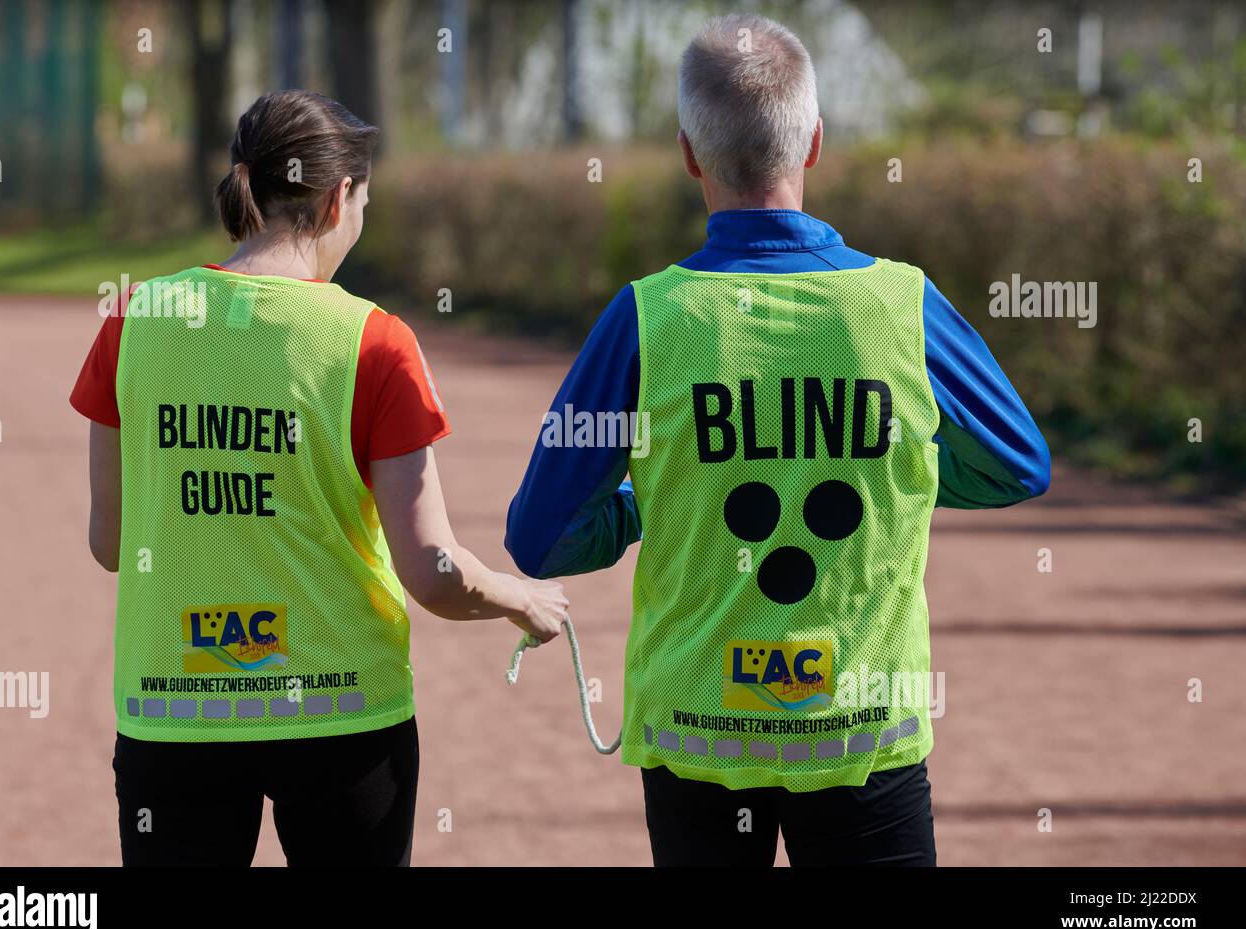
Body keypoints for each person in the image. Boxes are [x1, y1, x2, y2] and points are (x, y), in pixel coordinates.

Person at [505, 14, 1050, 867]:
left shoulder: (647, 317)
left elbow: (537, 539)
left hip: (699, 738)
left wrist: (646, 503)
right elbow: (1020, 465)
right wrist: (892, 470)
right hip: (865, 740)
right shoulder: (901, 304)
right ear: (816, 143)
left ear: (689, 153)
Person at [71, 90, 568, 867]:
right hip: (342, 722)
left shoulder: (134, 319)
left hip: (172, 715)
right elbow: (432, 574)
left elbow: (111, 542)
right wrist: (520, 597)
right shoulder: (375, 341)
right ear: (339, 198)